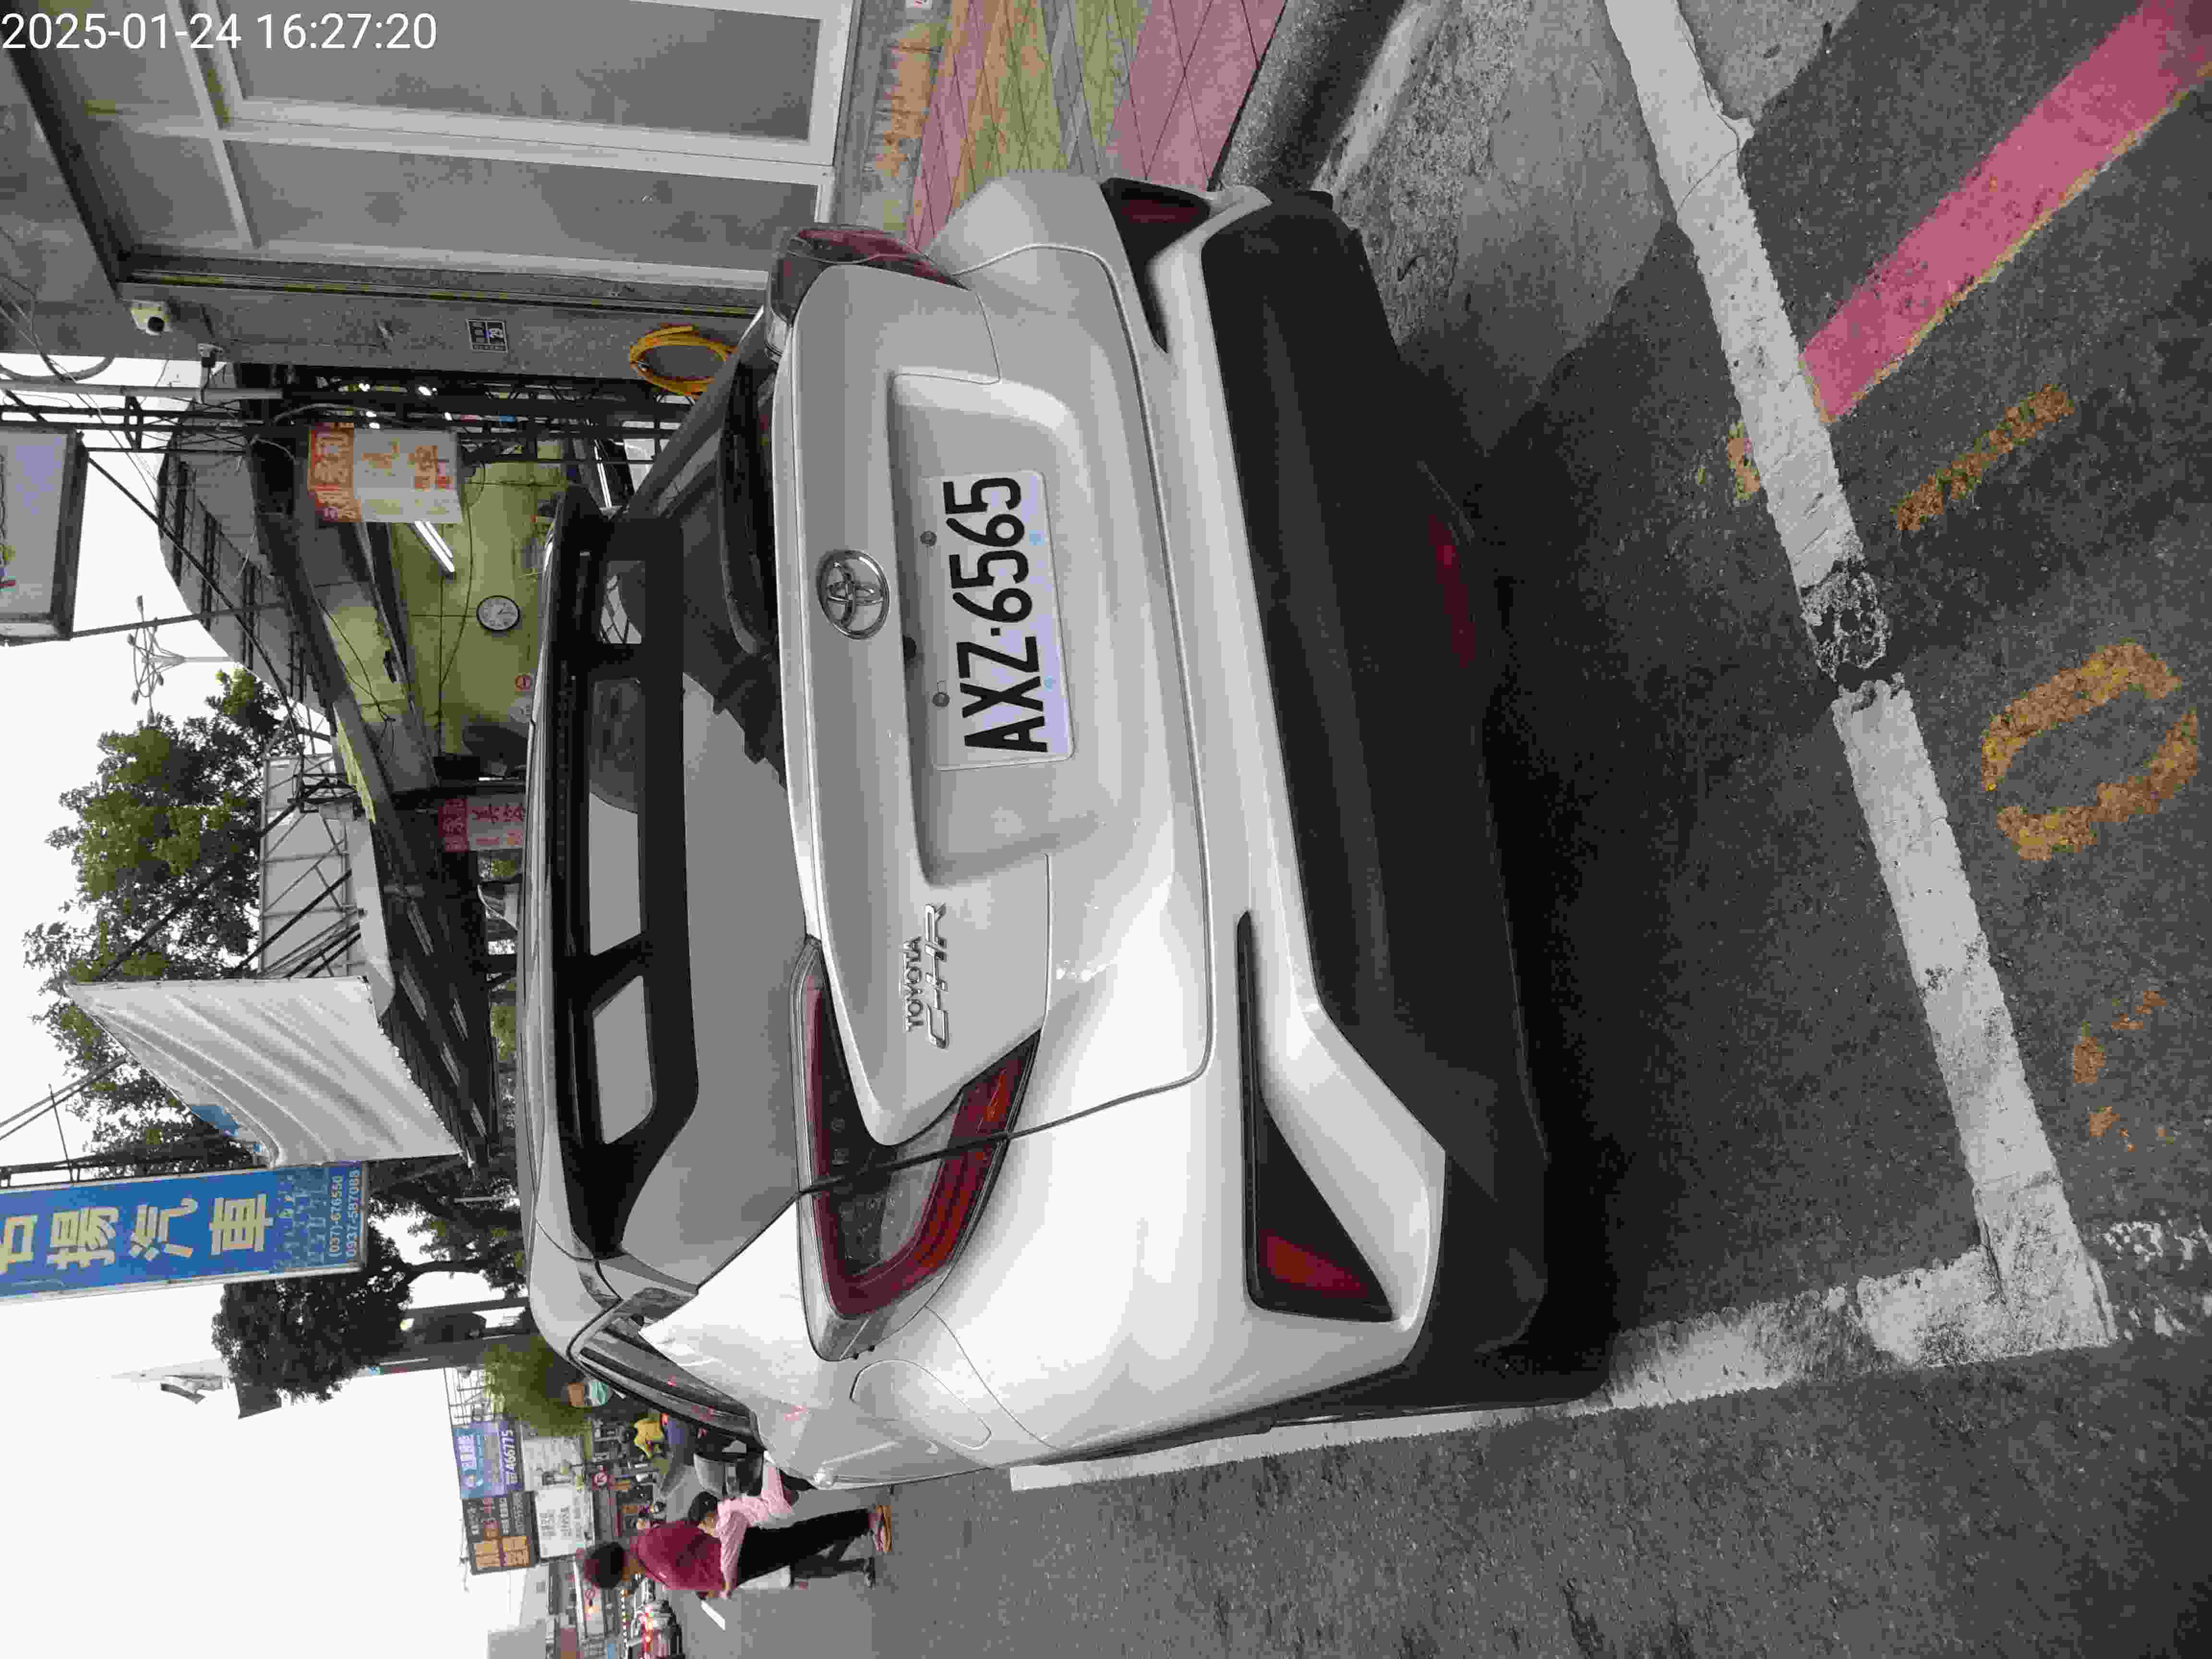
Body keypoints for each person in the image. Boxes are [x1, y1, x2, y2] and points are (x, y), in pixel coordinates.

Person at [576, 1501, 891, 1596]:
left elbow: (695, 1526)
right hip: (740, 1569)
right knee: (803, 1546)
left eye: (616, 1582)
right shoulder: (647, 1569)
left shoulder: (650, 1546)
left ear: (617, 1574)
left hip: (740, 1551)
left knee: (803, 1540)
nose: (622, 1585)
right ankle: (861, 1524)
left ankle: (866, 1519)